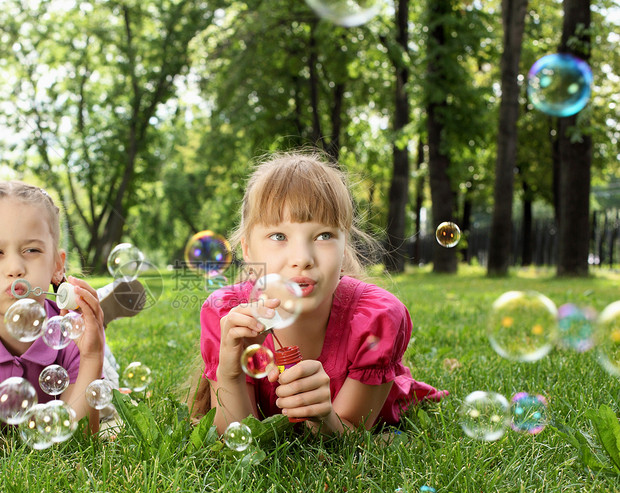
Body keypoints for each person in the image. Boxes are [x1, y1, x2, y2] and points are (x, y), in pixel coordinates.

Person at [191, 152, 448, 435]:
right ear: (248, 251)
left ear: (344, 245)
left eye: (323, 236)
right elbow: (236, 436)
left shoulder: (375, 318)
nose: (302, 258)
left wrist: (324, 417)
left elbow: (352, 436)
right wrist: (231, 374)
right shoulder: (228, 316)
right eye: (279, 236)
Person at [0, 181, 105, 440]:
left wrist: (93, 355)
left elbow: (79, 438)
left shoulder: (71, 332)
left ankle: (107, 349)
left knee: (107, 380)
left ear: (58, 266)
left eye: (31, 250)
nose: (15, 267)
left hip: (85, 342)